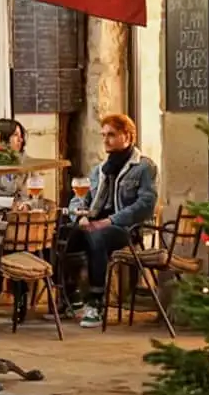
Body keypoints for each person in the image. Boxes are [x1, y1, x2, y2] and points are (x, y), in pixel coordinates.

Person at [67, 113, 158, 329]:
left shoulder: (144, 167)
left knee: (97, 235)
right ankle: (71, 295)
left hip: (124, 228)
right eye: (103, 135)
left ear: (127, 136)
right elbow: (79, 199)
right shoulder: (99, 169)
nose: (106, 140)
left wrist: (109, 221)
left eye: (111, 135)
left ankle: (96, 303)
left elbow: (145, 205)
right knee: (64, 232)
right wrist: (78, 215)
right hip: (95, 222)